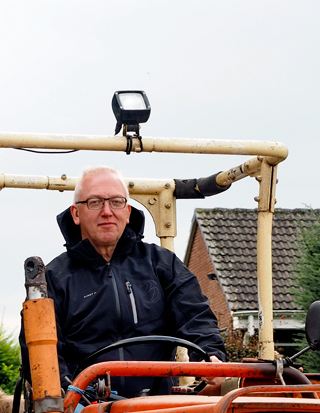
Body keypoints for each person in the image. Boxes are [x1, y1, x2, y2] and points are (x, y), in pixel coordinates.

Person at [23, 164, 226, 398]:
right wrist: (71, 396)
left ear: (127, 212)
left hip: (159, 408)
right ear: (76, 214)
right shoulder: (54, 279)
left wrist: (209, 355)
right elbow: (39, 354)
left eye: (116, 202)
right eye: (95, 202)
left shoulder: (162, 264)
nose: (107, 211)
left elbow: (196, 316)